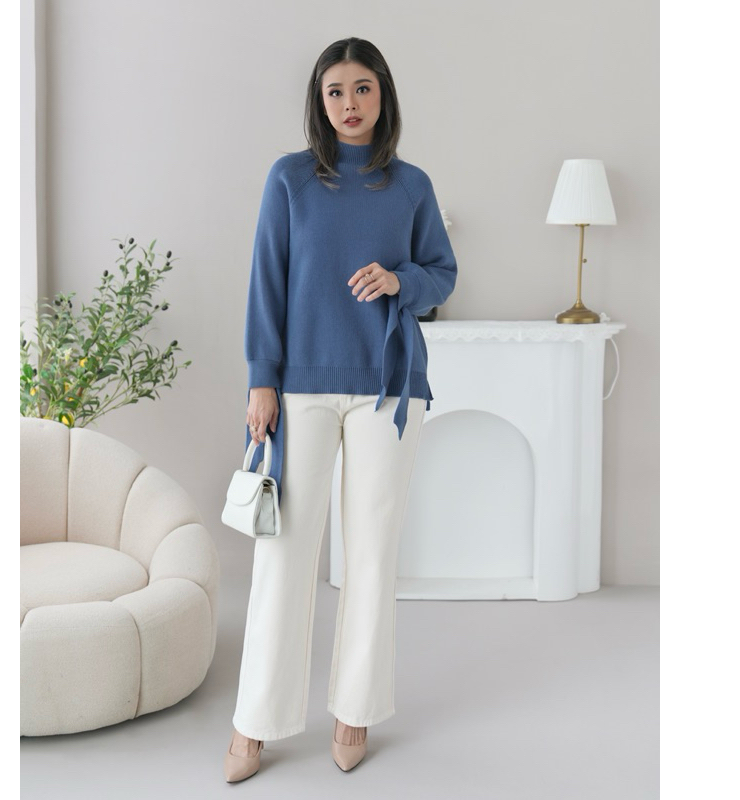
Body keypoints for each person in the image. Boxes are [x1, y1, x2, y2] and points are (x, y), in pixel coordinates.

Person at [224, 36, 457, 782]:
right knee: (284, 554)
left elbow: (442, 273)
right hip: (301, 387)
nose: (349, 104)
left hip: (389, 388)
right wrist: (261, 380)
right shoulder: (291, 178)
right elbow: (266, 279)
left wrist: (400, 280)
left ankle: (355, 709)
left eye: (362, 88)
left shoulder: (411, 185)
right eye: (335, 91)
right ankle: (254, 722)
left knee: (372, 554)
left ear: (382, 95)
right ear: (319, 102)